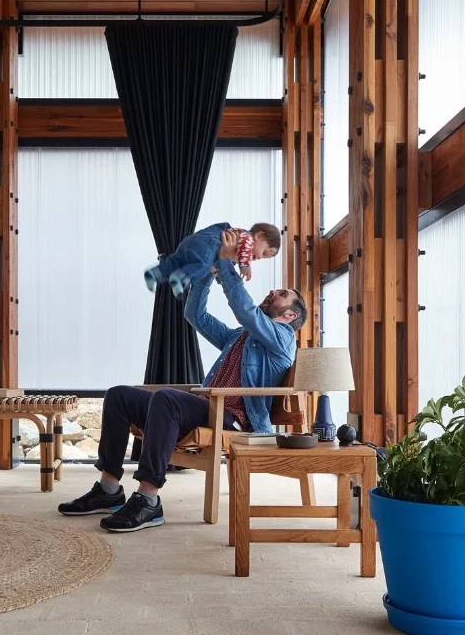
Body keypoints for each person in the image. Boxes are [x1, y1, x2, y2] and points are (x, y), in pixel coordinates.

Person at [60, 228, 307, 533]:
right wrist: (208, 271)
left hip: (231, 419)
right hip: (206, 409)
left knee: (166, 396)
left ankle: (149, 500)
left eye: (282, 295)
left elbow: (244, 310)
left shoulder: (282, 339)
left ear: (289, 315)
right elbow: (195, 315)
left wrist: (227, 260)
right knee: (119, 395)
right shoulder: (240, 337)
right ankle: (109, 490)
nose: (272, 292)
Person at [144, 221, 280, 298]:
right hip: (206, 246)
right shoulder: (247, 238)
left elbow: (223, 265)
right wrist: (245, 266)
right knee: (203, 266)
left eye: (262, 258)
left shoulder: (235, 251)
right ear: (259, 236)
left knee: (175, 262)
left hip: (190, 244)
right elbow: (244, 250)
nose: (259, 258)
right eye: (263, 252)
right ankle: (180, 278)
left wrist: (220, 278)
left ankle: (154, 273)